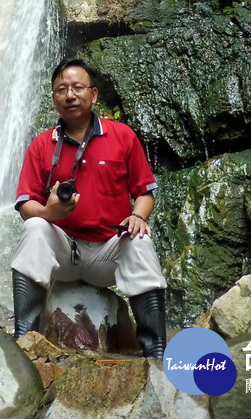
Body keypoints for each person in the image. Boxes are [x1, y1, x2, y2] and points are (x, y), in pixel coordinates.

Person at [11, 57, 167, 357]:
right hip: (63, 255)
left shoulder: (122, 136)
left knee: (140, 238)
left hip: (108, 252)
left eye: (77, 87)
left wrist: (137, 215)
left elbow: (146, 192)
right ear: (54, 98)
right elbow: (24, 204)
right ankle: (24, 339)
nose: (70, 95)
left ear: (93, 94)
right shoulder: (42, 144)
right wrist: (48, 213)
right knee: (34, 226)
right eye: (61, 89)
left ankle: (155, 349)